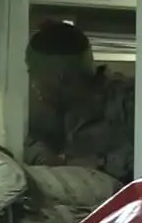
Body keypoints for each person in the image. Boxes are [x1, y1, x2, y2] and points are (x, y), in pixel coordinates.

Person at [24, 20, 135, 182]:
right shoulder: (55, 107)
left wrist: (94, 163)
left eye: (33, 73)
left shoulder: (128, 101)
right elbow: (33, 144)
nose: (33, 84)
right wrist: (52, 162)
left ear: (58, 79)